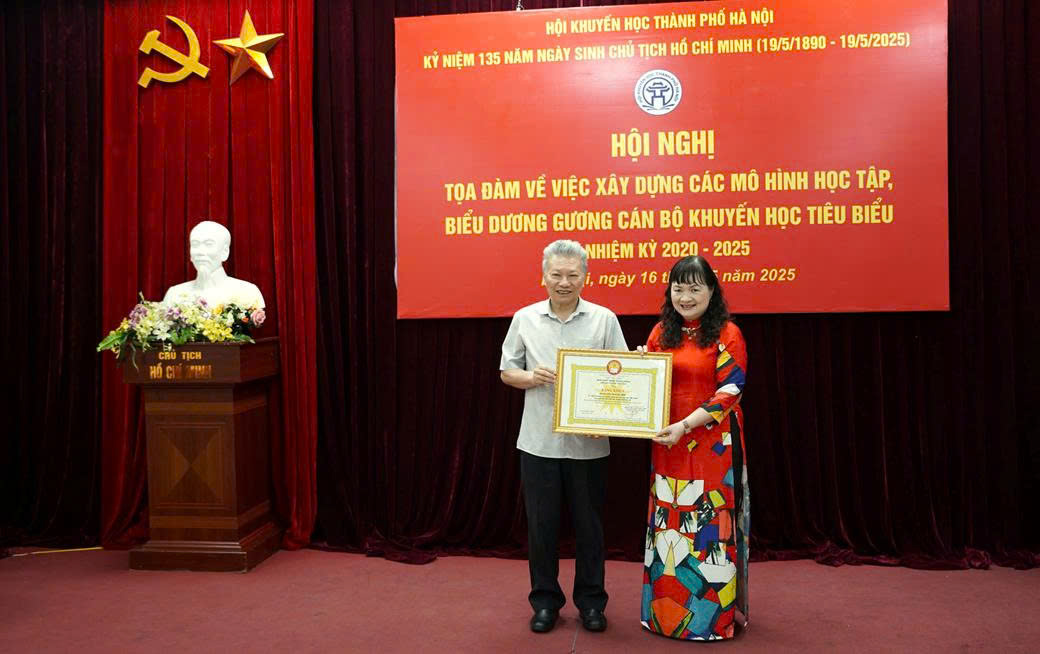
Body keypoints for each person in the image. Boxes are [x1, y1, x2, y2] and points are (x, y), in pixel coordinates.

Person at [500, 239, 628, 634]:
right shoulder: (524, 318)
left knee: (590, 529)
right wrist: (530, 377)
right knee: (541, 528)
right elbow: (506, 371)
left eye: (573, 275)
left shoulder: (604, 319)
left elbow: (623, 375)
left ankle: (592, 603)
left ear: (586, 277)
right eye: (556, 274)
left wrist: (608, 417)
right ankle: (545, 603)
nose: (564, 282)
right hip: (538, 442)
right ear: (543, 277)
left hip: (590, 443)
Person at [640, 255, 749, 640]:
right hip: (667, 443)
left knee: (708, 527)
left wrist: (686, 425)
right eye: (678, 288)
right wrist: (637, 372)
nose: (685, 297)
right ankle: (662, 616)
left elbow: (730, 390)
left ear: (711, 291)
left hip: (712, 446)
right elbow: (648, 385)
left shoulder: (727, 333)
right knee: (668, 523)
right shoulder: (660, 333)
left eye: (694, 288)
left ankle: (710, 622)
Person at [162, 220, 265, 308]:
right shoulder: (174, 294)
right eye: (195, 244)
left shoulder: (247, 292)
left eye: (208, 244)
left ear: (225, 252)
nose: (200, 252)